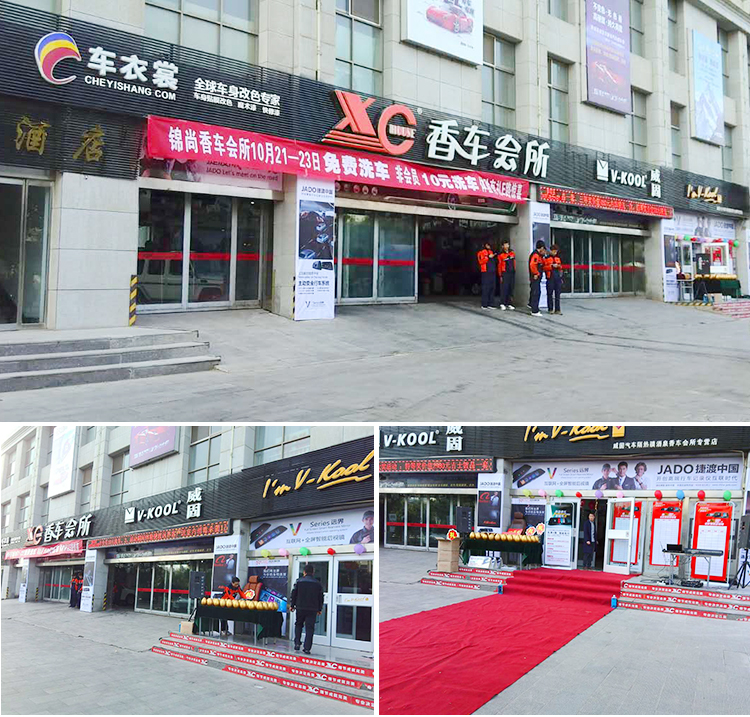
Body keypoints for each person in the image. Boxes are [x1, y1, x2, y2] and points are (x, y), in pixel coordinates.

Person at [291, 564, 324, 654]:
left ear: (304, 572)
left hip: (300, 607)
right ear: (313, 572)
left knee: (298, 625)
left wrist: (292, 605)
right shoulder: (317, 583)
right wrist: (319, 609)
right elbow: (320, 597)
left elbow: (294, 594)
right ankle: (307, 648)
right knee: (310, 628)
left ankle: (297, 643)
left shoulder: (299, 581)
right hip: (312, 609)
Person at [544, 244, 564, 315]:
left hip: (557, 278)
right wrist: (551, 266)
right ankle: (550, 309)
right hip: (550, 278)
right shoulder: (546, 258)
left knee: (557, 294)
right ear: (551, 251)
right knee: (550, 294)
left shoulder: (558, 258)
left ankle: (557, 309)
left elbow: (561, 267)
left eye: (556, 251)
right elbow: (544, 267)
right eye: (554, 251)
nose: (555, 253)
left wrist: (558, 266)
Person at [477, 242, 497, 309]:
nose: (490, 246)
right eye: (488, 245)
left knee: (492, 287)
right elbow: (480, 261)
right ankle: (484, 304)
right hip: (485, 272)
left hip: (492, 272)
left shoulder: (491, 251)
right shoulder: (481, 252)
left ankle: (491, 304)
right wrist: (488, 257)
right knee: (486, 288)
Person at [528, 240, 546, 317]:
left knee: (534, 291)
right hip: (535, 277)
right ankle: (534, 310)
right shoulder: (535, 255)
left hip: (536, 277)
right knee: (536, 292)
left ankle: (532, 305)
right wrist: (536, 273)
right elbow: (532, 265)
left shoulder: (539, 255)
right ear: (541, 248)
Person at [497, 240, 516, 311]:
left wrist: (514, 270)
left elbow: (514, 261)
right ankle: (502, 303)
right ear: (502, 246)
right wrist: (500, 275)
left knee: (511, 288)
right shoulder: (500, 254)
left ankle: (509, 303)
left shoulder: (512, 252)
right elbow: (499, 265)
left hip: (512, 272)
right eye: (505, 245)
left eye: (507, 244)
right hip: (505, 272)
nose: (507, 246)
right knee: (504, 288)